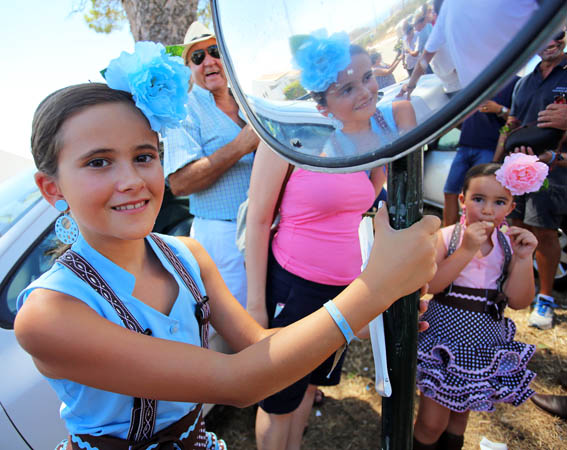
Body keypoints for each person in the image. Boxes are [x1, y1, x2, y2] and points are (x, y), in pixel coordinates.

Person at [14, 42, 440, 450]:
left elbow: (262, 350)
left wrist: (371, 319)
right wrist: (375, 289)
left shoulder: (187, 256)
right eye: (99, 162)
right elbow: (238, 382)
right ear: (52, 188)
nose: (131, 180)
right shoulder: (48, 313)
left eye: (144, 156)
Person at [246, 31, 417, 450]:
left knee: (307, 387)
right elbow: (258, 219)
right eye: (347, 87)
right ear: (321, 102)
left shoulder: (380, 130)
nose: (365, 91)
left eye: (367, 77)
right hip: (293, 285)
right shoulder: (290, 139)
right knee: (277, 397)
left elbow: (371, 203)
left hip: (342, 289)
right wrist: (254, 306)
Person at [413, 159, 544, 450]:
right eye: (479, 199)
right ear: (462, 200)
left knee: (458, 421)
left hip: (483, 345)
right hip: (444, 340)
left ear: (511, 208)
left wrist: (524, 259)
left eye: (499, 202)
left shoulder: (509, 245)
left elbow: (520, 301)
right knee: (431, 422)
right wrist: (467, 250)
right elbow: (430, 286)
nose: (487, 210)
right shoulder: (448, 237)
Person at [162, 21, 258, 308]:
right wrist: (241, 146)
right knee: (236, 321)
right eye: (198, 56)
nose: (209, 61)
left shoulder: (248, 102)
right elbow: (180, 183)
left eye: (215, 51)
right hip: (223, 234)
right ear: (190, 68)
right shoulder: (184, 112)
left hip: (266, 228)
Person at [493, 28, 567, 330]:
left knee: (545, 232)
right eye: (543, 36)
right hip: (516, 168)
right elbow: (511, 126)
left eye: (558, 34)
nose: (550, 41)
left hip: (554, 170)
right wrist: (495, 163)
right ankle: (520, 288)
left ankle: (546, 299)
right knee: (517, 228)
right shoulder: (522, 83)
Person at [399, 0, 538, 98]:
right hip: (493, 82)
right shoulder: (448, 9)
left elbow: (423, 60)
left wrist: (411, 86)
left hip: (479, 89)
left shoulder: (448, 9)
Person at [442, 76, 519, 226]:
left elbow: (517, 120)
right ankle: (449, 237)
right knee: (450, 192)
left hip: (489, 148)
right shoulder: (473, 78)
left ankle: (480, 240)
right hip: (464, 146)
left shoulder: (515, 82)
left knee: (484, 197)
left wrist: (499, 109)